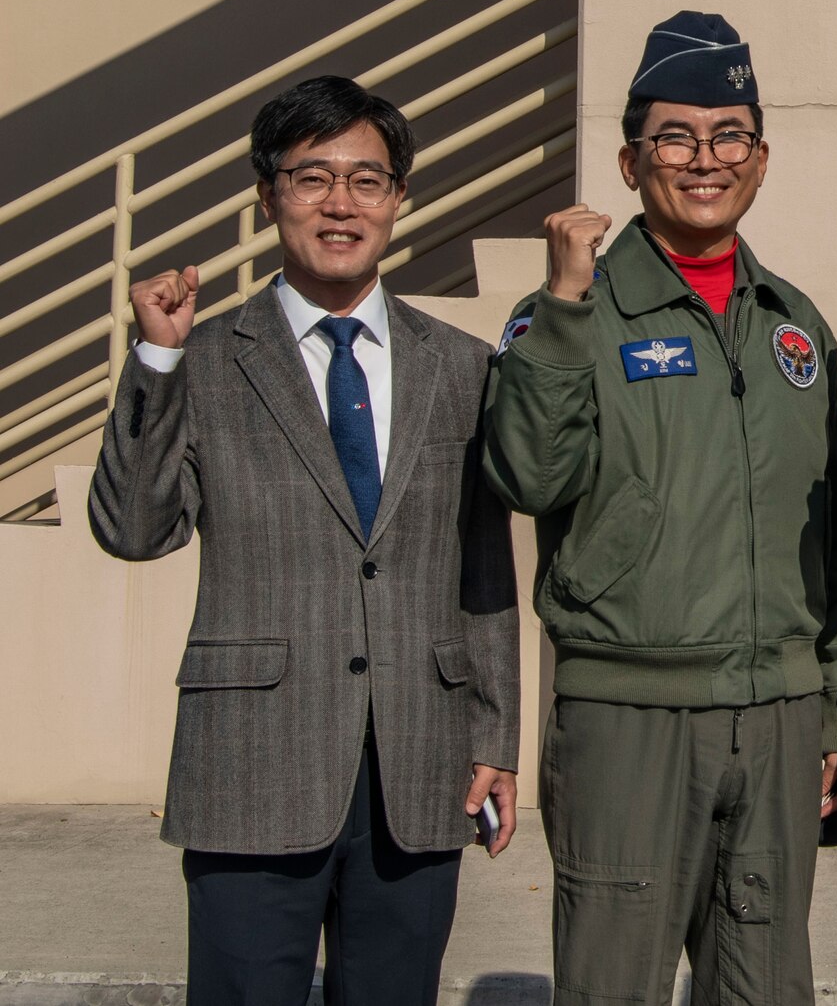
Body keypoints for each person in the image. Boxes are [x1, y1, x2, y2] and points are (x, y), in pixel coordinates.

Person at [88, 75, 521, 1006]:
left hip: (418, 762)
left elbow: (484, 564)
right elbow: (132, 528)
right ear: (268, 194)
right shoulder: (203, 357)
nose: (340, 203)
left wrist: (496, 734)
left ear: (399, 198)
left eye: (367, 180)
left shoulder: (461, 365)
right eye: (311, 176)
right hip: (253, 761)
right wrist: (154, 359)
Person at [480, 11, 837, 1006]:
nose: (705, 159)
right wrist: (565, 311)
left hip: (778, 719)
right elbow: (526, 475)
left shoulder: (793, 325)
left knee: (765, 987)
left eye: (728, 134)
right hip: (630, 716)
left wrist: (831, 698)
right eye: (674, 137)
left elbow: (830, 534)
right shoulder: (570, 314)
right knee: (613, 986)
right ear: (628, 159)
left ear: (760, 156)